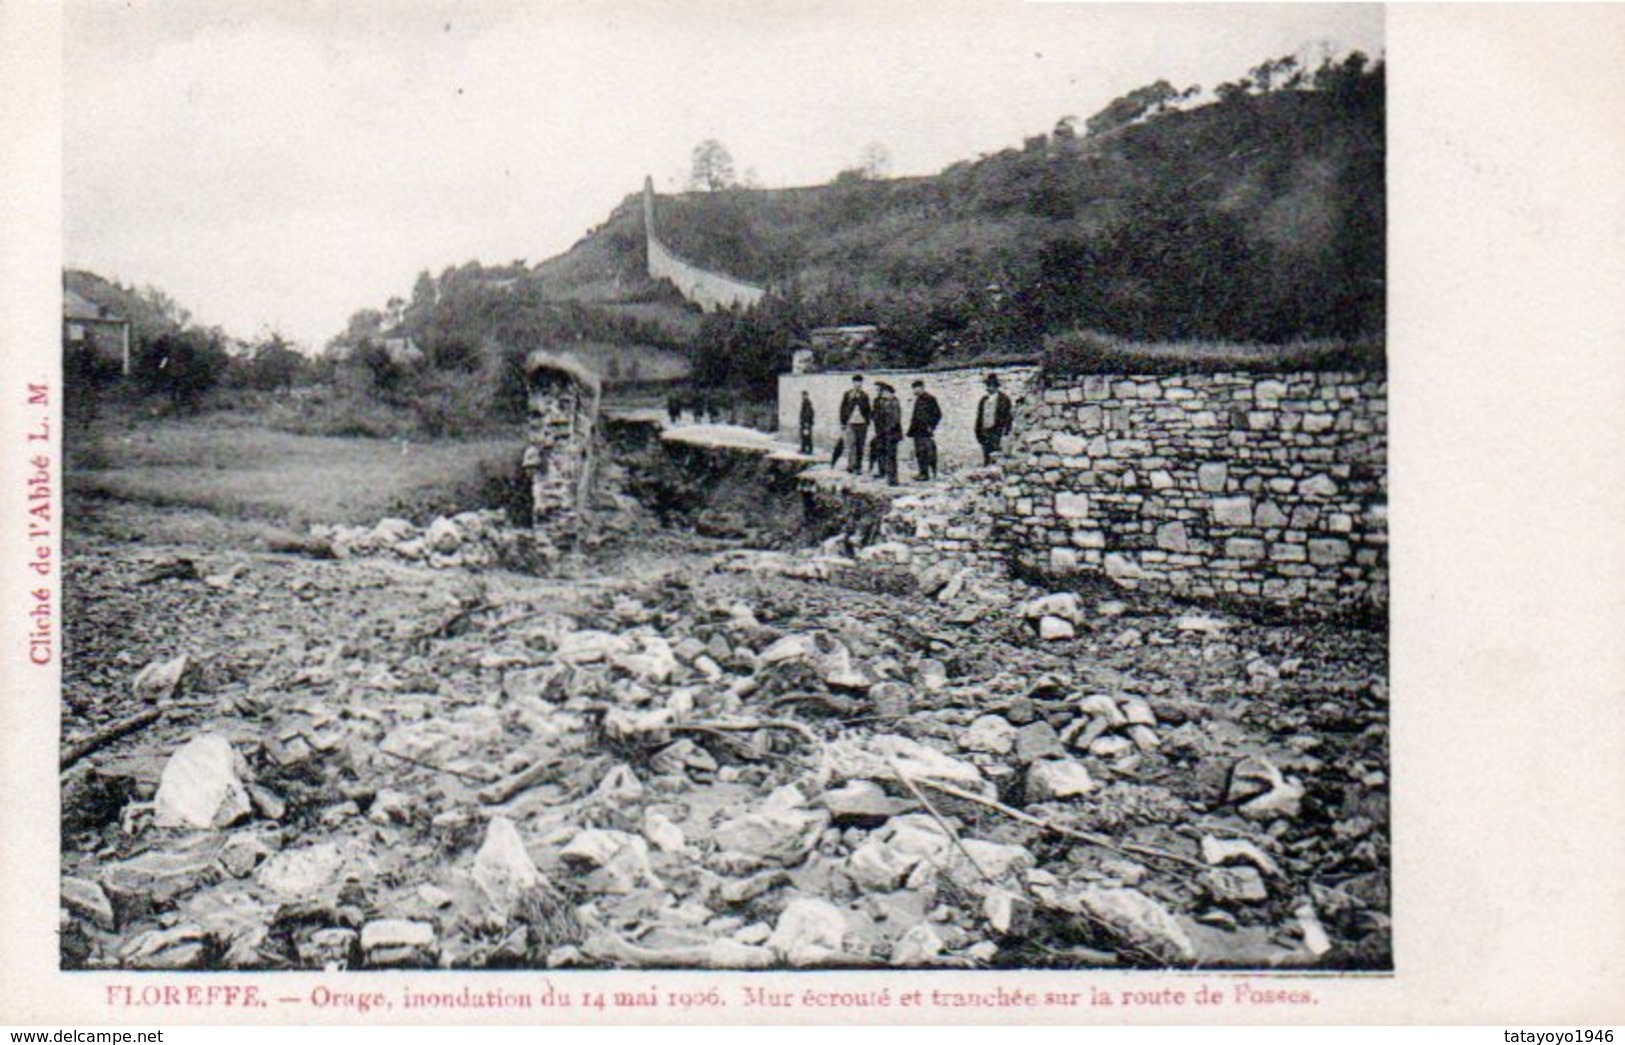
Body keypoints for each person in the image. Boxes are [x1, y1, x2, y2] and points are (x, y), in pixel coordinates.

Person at [974, 372, 1013, 465]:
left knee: (997, 455)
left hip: (997, 432)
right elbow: (979, 416)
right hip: (985, 432)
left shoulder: (1003, 399)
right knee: (986, 455)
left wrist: (1006, 432)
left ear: (996, 386)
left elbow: (1008, 417)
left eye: (991, 385)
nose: (988, 388)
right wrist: (978, 431)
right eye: (987, 385)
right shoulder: (983, 400)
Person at [906, 379, 942, 480]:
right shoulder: (918, 399)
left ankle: (927, 473)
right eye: (913, 389)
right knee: (919, 452)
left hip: (925, 430)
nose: (914, 391)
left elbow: (938, 414)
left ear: (922, 387)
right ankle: (922, 472)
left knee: (927, 452)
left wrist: (931, 426)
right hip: (917, 430)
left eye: (916, 388)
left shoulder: (930, 399)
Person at [870, 382, 903, 486]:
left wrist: (886, 429)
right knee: (884, 453)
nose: (883, 394)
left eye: (884, 392)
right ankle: (886, 475)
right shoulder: (884, 402)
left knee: (891, 457)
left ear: (889, 393)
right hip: (884, 433)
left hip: (892, 434)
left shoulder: (894, 403)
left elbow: (895, 419)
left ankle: (893, 480)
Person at [838, 374, 871, 476]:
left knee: (860, 445)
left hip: (862, 423)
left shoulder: (864, 395)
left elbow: (868, 410)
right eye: (856, 382)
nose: (858, 384)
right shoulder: (848, 394)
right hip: (851, 423)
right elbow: (842, 408)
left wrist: (867, 422)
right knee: (851, 444)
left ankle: (858, 466)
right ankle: (851, 465)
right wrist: (843, 422)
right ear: (853, 383)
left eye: (860, 382)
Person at [798, 391, 816, 455]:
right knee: (804, 436)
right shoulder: (804, 402)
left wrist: (807, 422)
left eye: (804, 395)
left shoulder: (807, 403)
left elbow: (808, 413)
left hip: (806, 423)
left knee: (807, 436)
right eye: (802, 395)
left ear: (807, 395)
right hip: (804, 422)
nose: (803, 396)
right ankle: (803, 448)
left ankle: (810, 449)